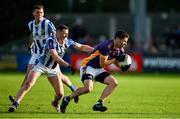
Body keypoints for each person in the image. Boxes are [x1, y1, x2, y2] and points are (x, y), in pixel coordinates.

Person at [8, 24, 94, 113]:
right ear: (58, 33)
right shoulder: (51, 41)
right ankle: (15, 104)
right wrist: (68, 65)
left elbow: (81, 47)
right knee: (28, 84)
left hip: (53, 69)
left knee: (60, 94)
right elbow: (55, 57)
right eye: (65, 34)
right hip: (41, 65)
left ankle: (55, 102)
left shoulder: (67, 41)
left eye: (67, 34)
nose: (66, 36)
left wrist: (95, 50)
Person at [9, 5, 78, 104]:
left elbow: (56, 34)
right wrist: (30, 44)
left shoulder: (47, 23)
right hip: (36, 53)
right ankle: (17, 99)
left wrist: (57, 46)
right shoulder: (31, 24)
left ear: (43, 13)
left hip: (48, 53)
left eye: (41, 12)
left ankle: (73, 88)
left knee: (60, 75)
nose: (39, 14)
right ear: (33, 14)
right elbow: (32, 34)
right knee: (28, 75)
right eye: (37, 12)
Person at [60, 30, 130, 113]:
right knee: (88, 89)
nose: (125, 43)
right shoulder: (106, 46)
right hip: (88, 66)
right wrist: (116, 59)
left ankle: (99, 103)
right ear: (118, 39)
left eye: (126, 42)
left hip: (98, 69)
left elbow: (114, 60)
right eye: (124, 41)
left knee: (114, 83)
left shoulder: (120, 50)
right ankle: (67, 98)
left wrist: (121, 68)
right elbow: (103, 63)